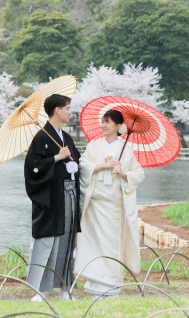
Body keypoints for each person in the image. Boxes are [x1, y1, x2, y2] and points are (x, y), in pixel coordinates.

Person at [73, 109, 145, 298]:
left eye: (107, 122)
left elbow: (139, 174)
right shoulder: (94, 146)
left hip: (113, 204)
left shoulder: (126, 149)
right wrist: (103, 166)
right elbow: (83, 165)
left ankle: (111, 284)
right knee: (93, 242)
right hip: (95, 203)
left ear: (118, 126)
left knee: (112, 243)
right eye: (102, 121)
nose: (103, 125)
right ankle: (94, 283)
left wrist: (123, 173)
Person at [24, 94, 81, 301]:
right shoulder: (41, 137)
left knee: (67, 244)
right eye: (67, 108)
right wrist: (57, 157)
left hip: (69, 196)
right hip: (50, 198)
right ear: (57, 110)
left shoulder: (66, 138)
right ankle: (41, 290)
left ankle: (65, 288)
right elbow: (33, 169)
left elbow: (76, 161)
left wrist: (75, 165)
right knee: (47, 243)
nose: (70, 112)